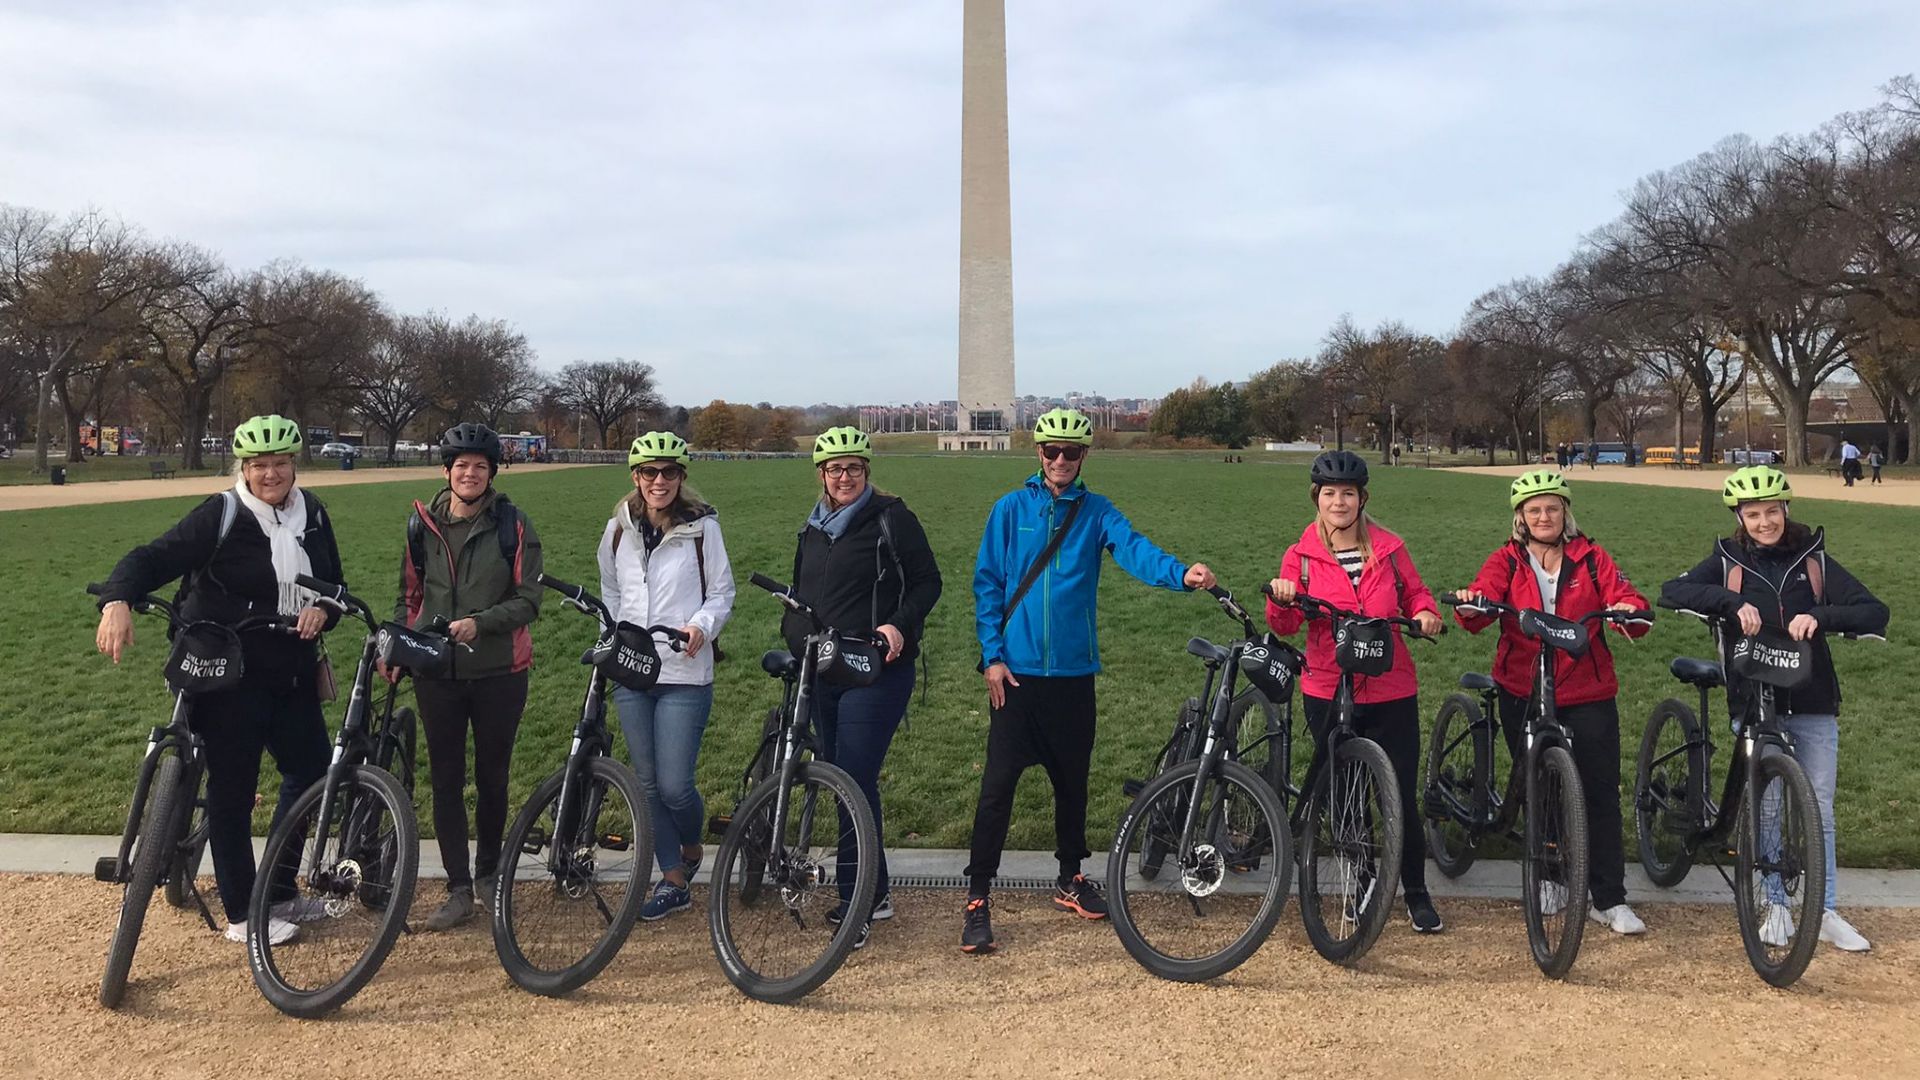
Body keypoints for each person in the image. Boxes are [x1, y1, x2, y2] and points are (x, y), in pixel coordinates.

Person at [962, 408, 1215, 954]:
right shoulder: (1010, 509)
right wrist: (992, 656)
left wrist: (1181, 574)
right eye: (1051, 452)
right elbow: (987, 584)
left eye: (1070, 453)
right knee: (997, 791)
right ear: (1038, 454)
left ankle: (1071, 877)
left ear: (1083, 457)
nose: (1059, 461)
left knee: (1071, 784)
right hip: (1017, 676)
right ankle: (978, 896)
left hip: (1074, 675)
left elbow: (1135, 550)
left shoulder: (1097, 512)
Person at [94, 415, 344, 946]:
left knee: (312, 771)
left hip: (291, 665)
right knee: (233, 789)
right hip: (229, 670)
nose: (270, 474)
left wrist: (323, 608)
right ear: (244, 468)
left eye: (279, 463)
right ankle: (240, 912)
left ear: (295, 464)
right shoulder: (223, 513)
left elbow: (336, 586)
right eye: (259, 465)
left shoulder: (313, 514)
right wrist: (117, 599)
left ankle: (278, 891)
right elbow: (153, 557)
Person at [1660, 465, 1887, 952]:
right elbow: (1672, 591)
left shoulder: (1814, 560)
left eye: (1772, 511)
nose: (1765, 522)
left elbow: (1874, 610)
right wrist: (1727, 601)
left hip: (1812, 697)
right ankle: (1776, 904)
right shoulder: (1727, 560)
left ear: (1786, 510)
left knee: (1818, 807)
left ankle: (1823, 909)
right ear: (1740, 516)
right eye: (1753, 513)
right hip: (1754, 697)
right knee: (1767, 806)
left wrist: (1819, 616)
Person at [1451, 470, 1651, 935]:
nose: (1544, 517)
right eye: (1534, 509)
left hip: (1586, 688)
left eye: (1553, 508)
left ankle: (1609, 897)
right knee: (1541, 788)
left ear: (1566, 512)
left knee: (1599, 791)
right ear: (1520, 517)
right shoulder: (1507, 559)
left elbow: (1627, 599)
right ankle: (1552, 876)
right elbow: (1480, 605)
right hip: (1523, 685)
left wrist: (1627, 611)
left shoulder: (1592, 557)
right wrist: (1472, 601)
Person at [1265, 449, 1447, 932]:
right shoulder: (1300, 555)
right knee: (1346, 793)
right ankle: (1362, 882)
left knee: (1399, 795)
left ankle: (1415, 891)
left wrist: (1427, 613)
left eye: (1348, 494)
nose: (1339, 502)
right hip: (1328, 686)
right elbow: (1284, 624)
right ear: (1316, 499)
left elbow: (1416, 593)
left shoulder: (1389, 547)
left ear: (1363, 498)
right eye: (1330, 494)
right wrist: (1282, 596)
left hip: (1390, 686)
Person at [783, 426, 943, 949]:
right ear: (822, 476)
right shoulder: (812, 526)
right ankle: (875, 889)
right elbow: (800, 594)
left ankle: (858, 901)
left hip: (877, 668)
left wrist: (898, 625)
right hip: (825, 666)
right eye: (835, 469)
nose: (844, 476)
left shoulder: (892, 518)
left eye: (853, 467)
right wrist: (796, 638)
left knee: (852, 777)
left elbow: (928, 582)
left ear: (866, 471)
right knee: (842, 779)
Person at [391, 422, 544, 931]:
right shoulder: (420, 526)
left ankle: (489, 875)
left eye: (480, 466)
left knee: (492, 778)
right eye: (462, 466)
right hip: (437, 673)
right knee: (446, 779)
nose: (470, 473)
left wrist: (482, 623)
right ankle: (457, 886)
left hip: (499, 670)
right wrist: (400, 645)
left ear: (492, 473)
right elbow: (410, 596)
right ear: (446, 472)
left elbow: (529, 600)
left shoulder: (513, 525)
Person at [596, 432, 735, 921]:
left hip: (682, 668)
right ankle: (673, 879)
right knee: (648, 785)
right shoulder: (617, 530)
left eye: (669, 472)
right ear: (636, 477)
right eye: (650, 472)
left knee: (675, 786)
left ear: (682, 477)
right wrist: (611, 635)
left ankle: (692, 846)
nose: (660, 481)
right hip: (632, 668)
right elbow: (610, 591)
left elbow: (721, 592)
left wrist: (701, 627)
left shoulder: (703, 530)